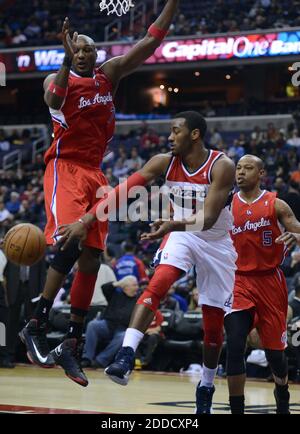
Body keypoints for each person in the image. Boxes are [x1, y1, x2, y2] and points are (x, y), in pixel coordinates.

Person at [19, 0, 180, 388]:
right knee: (72, 237)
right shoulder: (58, 79)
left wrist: (172, 6)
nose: (86, 52)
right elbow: (54, 99)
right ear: (72, 51)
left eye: (90, 48)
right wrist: (63, 59)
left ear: (98, 53)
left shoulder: (108, 76)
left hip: (95, 171)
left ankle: (72, 340)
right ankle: (36, 321)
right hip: (65, 168)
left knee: (92, 255)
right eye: (80, 48)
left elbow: (148, 41)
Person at [56, 111, 237, 413]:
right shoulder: (163, 162)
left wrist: (170, 226)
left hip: (216, 241)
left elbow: (206, 219)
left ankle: (206, 385)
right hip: (182, 234)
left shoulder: (222, 165)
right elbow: (118, 194)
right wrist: (86, 220)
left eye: (176, 131)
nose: (169, 136)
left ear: (194, 134)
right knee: (158, 283)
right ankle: (126, 356)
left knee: (213, 328)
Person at [224, 155, 300, 414]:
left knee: (275, 355)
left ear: (261, 173)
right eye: (238, 168)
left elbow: (297, 228)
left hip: (270, 282)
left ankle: (282, 392)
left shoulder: (276, 204)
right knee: (234, 344)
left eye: (248, 168)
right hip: (237, 282)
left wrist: (297, 235)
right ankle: (237, 410)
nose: (241, 172)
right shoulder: (225, 203)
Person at [81, 276, 140, 368]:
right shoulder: (115, 295)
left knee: (125, 336)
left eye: (137, 285)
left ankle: (100, 361)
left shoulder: (139, 299)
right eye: (134, 285)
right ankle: (86, 358)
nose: (137, 287)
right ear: (125, 287)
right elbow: (104, 287)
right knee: (93, 325)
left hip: (123, 329)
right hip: (107, 325)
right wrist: (119, 283)